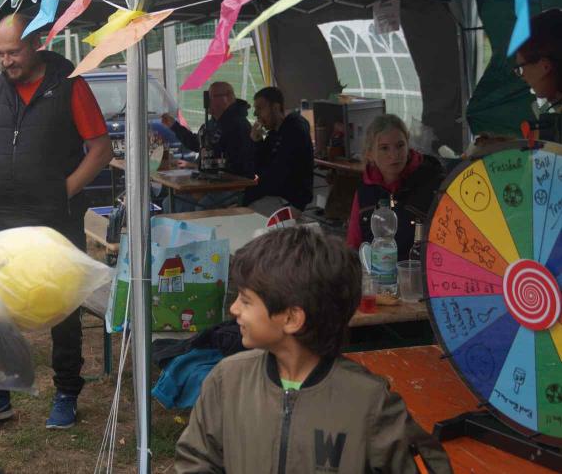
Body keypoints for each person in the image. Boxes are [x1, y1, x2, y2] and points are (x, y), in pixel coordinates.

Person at [175, 227, 451, 473]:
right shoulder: (228, 380)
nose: (234, 309)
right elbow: (196, 459)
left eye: (246, 301)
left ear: (292, 319)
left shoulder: (369, 403)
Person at [0, 14, 112, 430]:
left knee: (61, 303)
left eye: (13, 52)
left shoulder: (70, 84)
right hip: (0, 217)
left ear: (35, 45)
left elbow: (101, 150)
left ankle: (67, 391)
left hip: (55, 217)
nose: (6, 61)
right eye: (0, 54)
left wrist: (62, 192)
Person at [346, 114, 445, 259]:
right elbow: (353, 245)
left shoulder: (431, 180)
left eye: (400, 146)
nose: (394, 155)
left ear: (408, 144)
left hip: (420, 274)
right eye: (384, 148)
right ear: (370, 154)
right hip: (377, 276)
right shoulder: (364, 191)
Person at [161, 81, 254, 179]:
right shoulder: (212, 124)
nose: (207, 101)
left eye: (211, 97)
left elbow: (236, 164)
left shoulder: (239, 126)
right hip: (214, 182)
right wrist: (174, 126)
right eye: (207, 96)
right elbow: (197, 144)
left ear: (228, 97)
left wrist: (201, 166)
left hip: (233, 186)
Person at [243, 87, 313, 213]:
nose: (255, 114)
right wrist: (257, 142)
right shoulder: (274, 133)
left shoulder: (294, 130)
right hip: (275, 196)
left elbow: (277, 174)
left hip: (289, 200)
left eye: (260, 108)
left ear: (275, 107)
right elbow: (259, 167)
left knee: (242, 214)